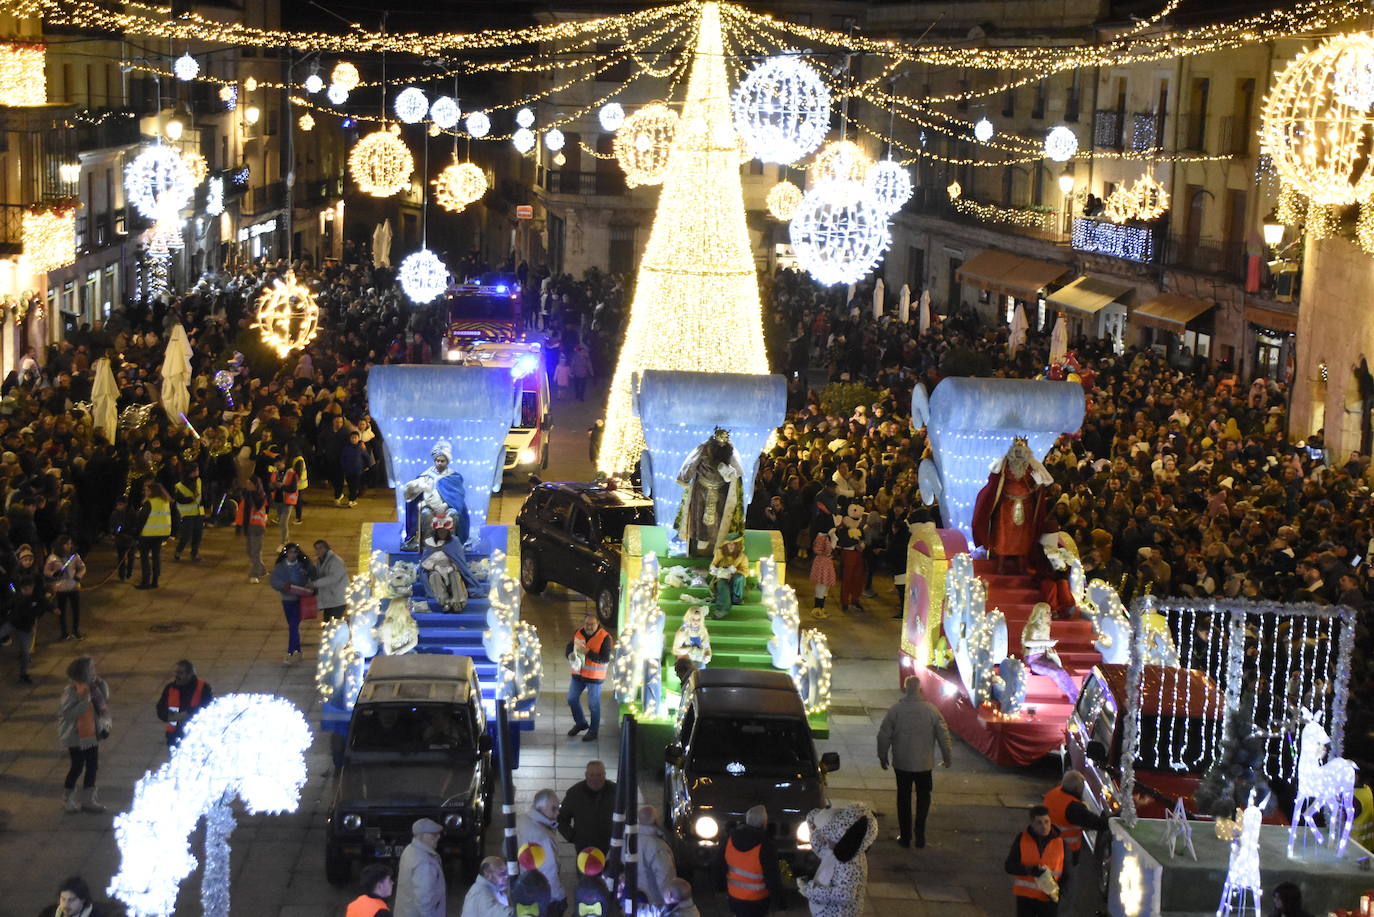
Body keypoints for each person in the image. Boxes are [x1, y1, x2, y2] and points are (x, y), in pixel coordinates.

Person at [876, 675, 953, 848]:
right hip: (924, 764)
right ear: (920, 689)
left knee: (903, 798)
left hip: (902, 763)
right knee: (923, 797)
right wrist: (947, 756)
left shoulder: (896, 710)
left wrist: (883, 756)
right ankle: (920, 835)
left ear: (905, 688)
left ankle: (905, 837)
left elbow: (883, 735)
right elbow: (943, 734)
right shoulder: (931, 710)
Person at [971, 438, 1056, 574]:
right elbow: (993, 483)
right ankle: (1001, 561)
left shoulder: (1033, 465)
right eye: (1016, 451)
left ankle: (1022, 562)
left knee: (1024, 536)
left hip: (1026, 506)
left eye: (1021, 452)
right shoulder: (1003, 464)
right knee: (1003, 534)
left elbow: (1041, 486)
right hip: (1005, 506)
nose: (1019, 455)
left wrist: (1039, 485)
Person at [1042, 770, 1112, 911]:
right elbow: (1098, 823)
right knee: (1067, 894)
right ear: (1077, 789)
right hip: (1066, 856)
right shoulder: (1074, 808)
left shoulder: (1053, 794)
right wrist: (1117, 818)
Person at [797, 804, 878, 917]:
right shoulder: (839, 851)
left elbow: (844, 895)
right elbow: (820, 848)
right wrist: (813, 822)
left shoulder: (851, 864)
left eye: (830, 837)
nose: (826, 839)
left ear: (845, 840)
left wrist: (811, 891)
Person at [675, 428, 745, 557]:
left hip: (721, 490)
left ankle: (716, 545)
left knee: (718, 519)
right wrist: (684, 478)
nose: (721, 445)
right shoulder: (703, 448)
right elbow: (690, 463)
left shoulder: (731, 451)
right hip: (701, 489)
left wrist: (732, 474)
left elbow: (738, 470)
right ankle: (700, 542)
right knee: (699, 517)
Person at [57, 656, 110, 814]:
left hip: (91, 734)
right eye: (91, 669)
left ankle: (88, 800)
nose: (94, 671)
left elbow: (104, 700)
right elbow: (68, 714)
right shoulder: (71, 691)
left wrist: (101, 684)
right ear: (82, 673)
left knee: (92, 766)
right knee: (77, 767)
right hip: (76, 736)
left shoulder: (92, 687)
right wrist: (84, 702)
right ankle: (67, 798)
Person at [720, 804, 781, 916]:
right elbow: (772, 877)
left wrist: (720, 889)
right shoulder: (766, 846)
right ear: (764, 823)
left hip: (734, 898)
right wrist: (780, 903)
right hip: (758, 901)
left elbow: (719, 866)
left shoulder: (729, 840)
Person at [1004, 805, 1065, 917]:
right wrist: (1030, 870)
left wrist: (1061, 894)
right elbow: (1009, 866)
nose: (1044, 826)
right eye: (1039, 823)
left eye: (1047, 821)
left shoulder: (1061, 843)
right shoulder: (1022, 839)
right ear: (1032, 824)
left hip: (1048, 898)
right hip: (1026, 898)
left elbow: (1067, 872)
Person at [516, 789, 567, 916]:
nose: (558, 812)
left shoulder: (520, 820)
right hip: (540, 891)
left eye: (558, 807)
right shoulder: (544, 837)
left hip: (521, 885)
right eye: (553, 809)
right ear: (540, 809)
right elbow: (550, 872)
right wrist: (559, 897)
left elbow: (506, 848)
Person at [566, 612, 613, 741]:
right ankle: (581, 723)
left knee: (593, 705)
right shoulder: (578, 632)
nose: (588, 626)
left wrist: (588, 652)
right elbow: (569, 647)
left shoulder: (605, 638)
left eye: (592, 624)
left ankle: (593, 731)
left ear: (598, 624)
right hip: (578, 674)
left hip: (594, 677)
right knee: (571, 699)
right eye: (586, 623)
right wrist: (569, 654)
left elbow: (605, 659)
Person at [269, 543, 316, 663]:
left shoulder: (303, 566)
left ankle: (291, 652)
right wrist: (283, 586)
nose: (293, 555)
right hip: (287, 600)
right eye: (290, 552)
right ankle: (298, 651)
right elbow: (274, 581)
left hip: (300, 600)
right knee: (293, 626)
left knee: (293, 626)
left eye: (295, 552)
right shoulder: (280, 567)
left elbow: (312, 576)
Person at [558, 760, 617, 855]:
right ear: (586, 775)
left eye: (599, 775)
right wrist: (572, 836)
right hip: (584, 846)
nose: (596, 779)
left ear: (605, 774)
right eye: (592, 775)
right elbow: (561, 818)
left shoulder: (615, 791)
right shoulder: (575, 794)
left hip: (610, 845)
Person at [3, 575, 51, 683]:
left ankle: (23, 675)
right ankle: (23, 675)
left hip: (24, 629)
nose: (31, 590)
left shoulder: (31, 598)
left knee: (26, 653)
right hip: (14, 625)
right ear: (25, 588)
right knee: (25, 652)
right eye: (30, 588)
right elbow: (7, 606)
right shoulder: (18, 597)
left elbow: (40, 606)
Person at [156, 659, 213, 748]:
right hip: (174, 734)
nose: (176, 676)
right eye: (176, 672)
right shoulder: (170, 688)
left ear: (190, 674)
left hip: (195, 734)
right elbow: (160, 708)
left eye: (180, 673)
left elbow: (208, 707)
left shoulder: (203, 688)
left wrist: (187, 714)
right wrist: (168, 716)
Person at [394, 817, 445, 917]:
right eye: (434, 834)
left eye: (438, 834)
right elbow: (425, 901)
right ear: (421, 836)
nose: (438, 837)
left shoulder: (409, 850)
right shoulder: (424, 862)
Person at [44, 535, 86, 641]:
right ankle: (64, 632)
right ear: (61, 545)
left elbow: (82, 567)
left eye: (70, 543)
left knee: (76, 610)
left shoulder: (74, 556)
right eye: (67, 544)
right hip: (61, 588)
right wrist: (54, 574)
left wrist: (78, 576)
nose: (69, 546)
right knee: (61, 611)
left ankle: (76, 631)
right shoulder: (53, 558)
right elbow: (46, 571)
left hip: (73, 587)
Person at [636, 805, 678, 909]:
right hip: (651, 905)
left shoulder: (626, 840)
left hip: (629, 901)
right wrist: (670, 906)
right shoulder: (658, 846)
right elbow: (665, 878)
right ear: (656, 821)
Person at [135, 480, 172, 589]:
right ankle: (155, 581)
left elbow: (141, 520)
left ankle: (145, 581)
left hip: (148, 534)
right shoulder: (165, 501)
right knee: (156, 557)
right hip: (161, 534)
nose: (145, 492)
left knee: (144, 558)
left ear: (152, 491)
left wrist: (136, 534)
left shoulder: (149, 503)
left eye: (147, 490)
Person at [708, 535, 750, 620]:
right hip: (722, 577)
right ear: (725, 545)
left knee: (739, 578)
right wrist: (714, 569)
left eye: (733, 544)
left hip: (735, 581)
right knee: (722, 585)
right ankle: (721, 610)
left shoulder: (742, 557)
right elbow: (713, 565)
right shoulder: (720, 553)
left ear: (737, 545)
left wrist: (735, 571)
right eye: (729, 544)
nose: (731, 546)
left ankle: (736, 600)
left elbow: (746, 572)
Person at [235, 484, 269, 583]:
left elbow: (259, 507)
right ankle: (262, 570)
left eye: (250, 484)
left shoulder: (260, 497)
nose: (247, 486)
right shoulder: (246, 497)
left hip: (257, 527)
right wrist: (238, 526)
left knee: (255, 552)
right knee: (250, 551)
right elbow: (241, 512)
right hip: (248, 528)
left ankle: (255, 574)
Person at [311, 539, 349, 622]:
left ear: (327, 548)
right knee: (328, 626)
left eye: (321, 548)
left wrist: (315, 584)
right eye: (316, 549)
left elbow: (333, 578)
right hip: (329, 600)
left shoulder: (335, 561)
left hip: (337, 600)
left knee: (332, 627)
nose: (318, 551)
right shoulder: (319, 561)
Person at [172, 466, 203, 562]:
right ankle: (178, 551)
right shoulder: (179, 486)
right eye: (196, 470)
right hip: (187, 513)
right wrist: (191, 499)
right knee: (186, 535)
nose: (198, 471)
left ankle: (194, 553)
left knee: (198, 534)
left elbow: (202, 494)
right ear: (191, 472)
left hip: (199, 512)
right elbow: (179, 500)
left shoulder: (198, 481)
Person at [810, 516, 838, 619]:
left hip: (824, 562)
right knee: (821, 587)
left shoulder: (824, 536)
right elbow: (828, 550)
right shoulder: (823, 537)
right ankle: (817, 609)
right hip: (823, 563)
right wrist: (834, 540)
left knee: (824, 587)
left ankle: (821, 608)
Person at [268, 454, 299, 547]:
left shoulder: (291, 473)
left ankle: (284, 543)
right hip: (278, 501)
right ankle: (285, 541)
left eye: (278, 464)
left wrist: (282, 486)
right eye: (275, 464)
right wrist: (272, 486)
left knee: (283, 523)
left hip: (287, 501)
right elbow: (270, 487)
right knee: (282, 522)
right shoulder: (275, 473)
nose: (277, 466)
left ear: (283, 462)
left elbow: (293, 488)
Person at [41, 876, 106, 917]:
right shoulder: (48, 913)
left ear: (83, 900)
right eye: (63, 899)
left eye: (71, 900)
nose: (66, 904)